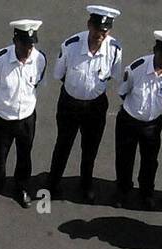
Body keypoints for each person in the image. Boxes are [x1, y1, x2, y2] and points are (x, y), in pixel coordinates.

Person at [47, 5, 123, 203]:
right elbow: (59, 74)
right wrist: (77, 90)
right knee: (63, 145)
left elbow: (113, 76)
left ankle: (86, 184)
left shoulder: (114, 50)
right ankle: (53, 184)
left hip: (96, 107)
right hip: (69, 104)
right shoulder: (70, 46)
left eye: (105, 31)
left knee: (90, 149)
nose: (100, 34)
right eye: (97, 29)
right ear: (89, 25)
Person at [113, 30, 162, 208]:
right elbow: (123, 92)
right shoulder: (136, 69)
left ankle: (147, 193)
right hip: (129, 120)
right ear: (155, 50)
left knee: (150, 162)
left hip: (153, 124)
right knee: (124, 159)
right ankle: (122, 191)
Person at [0, 19, 48, 209]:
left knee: (24, 155)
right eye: (24, 44)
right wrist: (2, 107)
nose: (28, 49)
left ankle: (21, 188)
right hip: (2, 118)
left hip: (27, 117)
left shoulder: (40, 59)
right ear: (15, 41)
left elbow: (36, 84)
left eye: (31, 44)